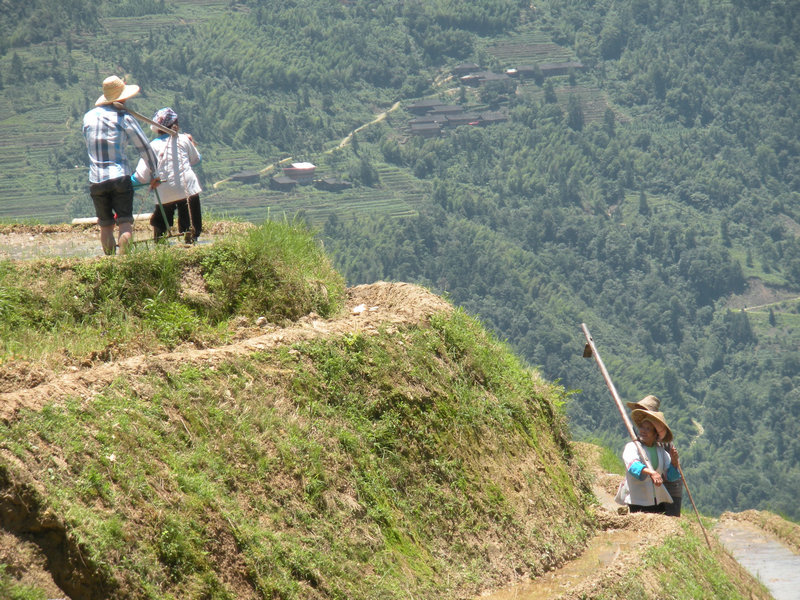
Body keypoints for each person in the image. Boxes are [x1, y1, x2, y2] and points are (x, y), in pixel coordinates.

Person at [83, 75, 159, 255]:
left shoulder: (88, 117)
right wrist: (154, 172)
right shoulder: (124, 117)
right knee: (125, 222)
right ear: (121, 98)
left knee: (106, 225)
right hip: (119, 175)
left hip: (96, 179)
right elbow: (144, 147)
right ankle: (124, 262)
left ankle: (109, 263)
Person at [133, 107, 203, 243]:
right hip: (187, 187)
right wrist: (191, 142)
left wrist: (128, 184)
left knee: (161, 221)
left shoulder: (152, 146)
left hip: (164, 188)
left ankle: (160, 242)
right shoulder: (183, 139)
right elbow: (196, 160)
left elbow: (141, 176)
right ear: (175, 125)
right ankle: (190, 241)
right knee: (190, 222)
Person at [627, 395, 683, 517]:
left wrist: (674, 462)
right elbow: (633, 465)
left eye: (648, 429)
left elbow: (671, 476)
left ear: (655, 434)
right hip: (638, 500)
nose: (643, 430)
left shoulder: (661, 451)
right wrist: (651, 473)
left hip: (657, 499)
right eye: (642, 427)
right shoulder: (632, 447)